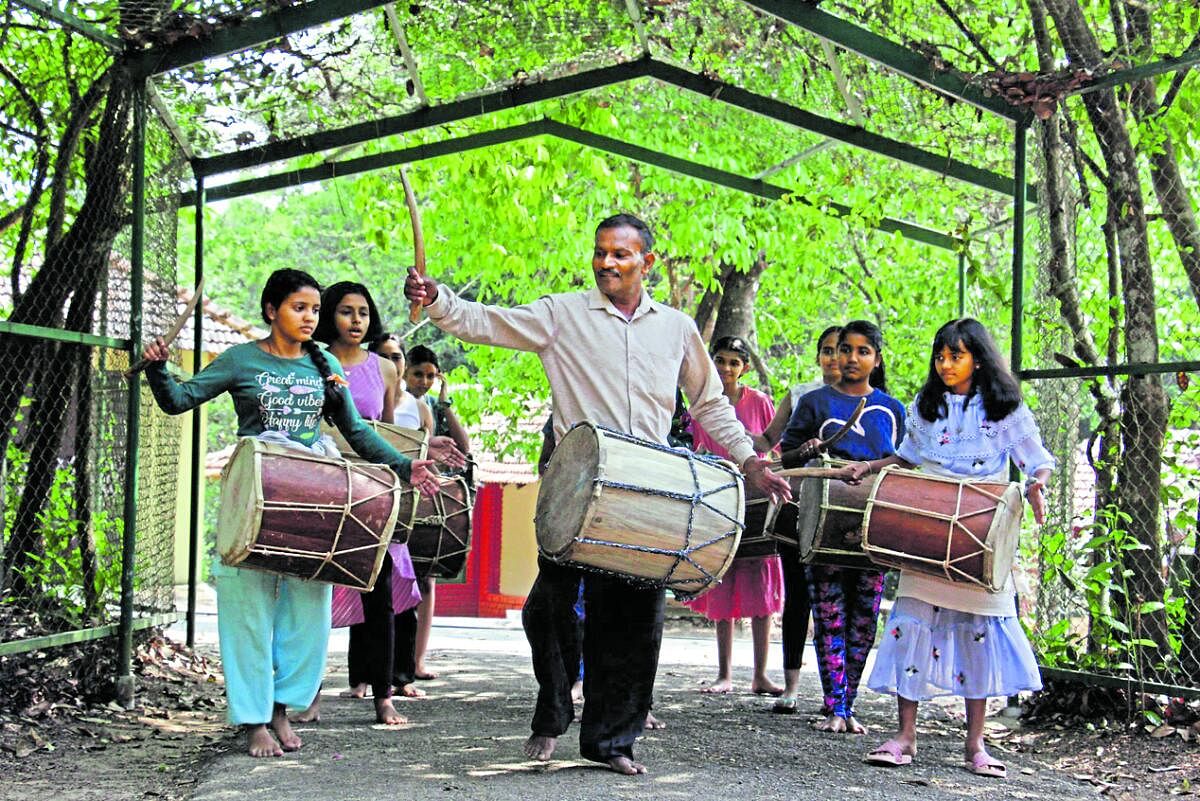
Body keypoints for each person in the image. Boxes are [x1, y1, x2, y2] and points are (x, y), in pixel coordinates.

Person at [405, 213, 790, 775]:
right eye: (600, 252)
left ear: (647, 262)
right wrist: (437, 297)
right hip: (576, 488)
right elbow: (484, 322)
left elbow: (709, 404)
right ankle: (553, 710)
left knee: (633, 620)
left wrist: (751, 461)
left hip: (650, 495)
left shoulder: (677, 327)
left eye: (620, 254)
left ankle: (612, 742)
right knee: (548, 609)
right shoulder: (562, 314)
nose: (606, 262)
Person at [141, 269, 439, 757]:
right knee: (248, 606)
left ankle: (283, 708)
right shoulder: (241, 360)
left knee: (309, 610)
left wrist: (406, 465)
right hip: (258, 492)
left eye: (315, 309)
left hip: (313, 494)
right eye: (299, 307)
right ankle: (253, 719)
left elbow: (357, 432)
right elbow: (179, 400)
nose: (309, 317)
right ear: (270, 310)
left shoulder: (321, 363)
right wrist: (157, 368)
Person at [849, 318, 1053, 779]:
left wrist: (1036, 486)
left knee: (979, 635)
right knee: (912, 626)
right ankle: (905, 736)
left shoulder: (1005, 409)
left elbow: (1035, 462)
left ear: (977, 358)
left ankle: (975, 744)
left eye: (955, 355)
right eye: (940, 356)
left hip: (980, 539)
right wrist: (871, 469)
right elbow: (909, 457)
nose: (945, 364)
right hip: (928, 531)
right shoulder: (927, 405)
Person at [779, 320, 904, 735]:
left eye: (862, 351)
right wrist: (807, 449)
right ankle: (835, 706)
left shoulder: (893, 408)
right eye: (845, 350)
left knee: (864, 619)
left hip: (874, 529)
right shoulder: (814, 403)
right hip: (822, 527)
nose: (851, 358)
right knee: (829, 615)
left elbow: (903, 463)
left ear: (877, 359)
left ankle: (848, 705)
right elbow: (788, 457)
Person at [685, 335, 784, 697]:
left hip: (756, 504)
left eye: (734, 362)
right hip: (717, 502)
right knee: (721, 583)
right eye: (720, 360)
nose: (726, 368)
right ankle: (724, 674)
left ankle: (760, 674)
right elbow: (692, 448)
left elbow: (774, 447)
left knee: (761, 587)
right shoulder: (700, 403)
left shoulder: (760, 402)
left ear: (744, 367)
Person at [764, 325, 841, 714]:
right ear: (818, 356)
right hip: (797, 505)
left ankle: (838, 696)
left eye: (841, 350)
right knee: (797, 597)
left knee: (835, 602)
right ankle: (791, 687)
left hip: (845, 512)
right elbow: (770, 442)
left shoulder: (870, 401)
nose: (833, 358)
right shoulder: (800, 394)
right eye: (826, 350)